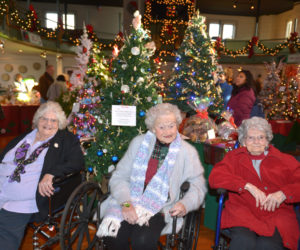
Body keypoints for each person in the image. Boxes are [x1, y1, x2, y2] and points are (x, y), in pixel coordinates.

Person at [97, 103, 206, 250]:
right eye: (162, 127)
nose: (168, 131)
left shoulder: (187, 151)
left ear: (178, 126)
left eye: (171, 125)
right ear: (153, 129)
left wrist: (185, 204)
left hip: (161, 206)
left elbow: (197, 185)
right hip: (130, 199)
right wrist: (126, 203)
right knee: (112, 235)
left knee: (142, 240)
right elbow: (119, 177)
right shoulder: (138, 143)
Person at [0, 101, 84, 249]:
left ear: (60, 123)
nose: (48, 123)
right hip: (3, 189)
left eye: (53, 120)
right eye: (44, 118)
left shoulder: (66, 139)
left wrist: (51, 173)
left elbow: (77, 162)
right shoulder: (26, 136)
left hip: (21, 200)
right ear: (37, 120)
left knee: (5, 235)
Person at [209, 117, 300, 250]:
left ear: (268, 140)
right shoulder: (233, 158)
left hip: (276, 214)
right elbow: (215, 178)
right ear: (244, 141)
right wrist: (246, 185)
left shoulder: (284, 160)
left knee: (267, 245)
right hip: (243, 213)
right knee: (244, 242)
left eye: (261, 137)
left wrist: (284, 193)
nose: (256, 142)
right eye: (251, 138)